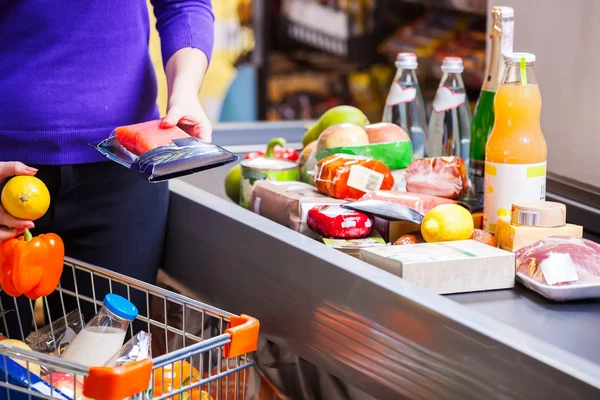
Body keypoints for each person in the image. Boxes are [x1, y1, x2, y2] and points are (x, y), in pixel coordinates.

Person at [0, 1, 215, 339]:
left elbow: (183, 4)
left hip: (123, 172)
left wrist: (185, 92)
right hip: (3, 174)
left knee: (106, 368)